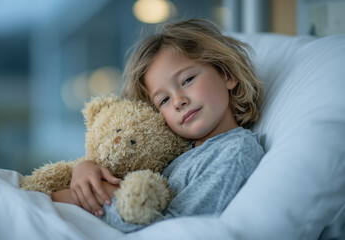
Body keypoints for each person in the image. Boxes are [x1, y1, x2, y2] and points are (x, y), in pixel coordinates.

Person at [51, 18, 265, 233]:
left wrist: (103, 195)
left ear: (227, 74)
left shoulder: (235, 151)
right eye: (163, 100)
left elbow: (176, 229)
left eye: (187, 80)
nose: (178, 101)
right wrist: (85, 168)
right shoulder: (174, 153)